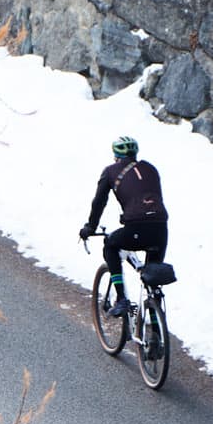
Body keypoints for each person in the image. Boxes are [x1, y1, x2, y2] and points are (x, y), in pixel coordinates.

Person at [78, 135, 168, 315]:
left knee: (111, 245)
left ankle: (121, 299)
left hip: (135, 227)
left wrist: (90, 227)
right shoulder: (150, 169)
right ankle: (157, 332)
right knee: (153, 277)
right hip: (160, 227)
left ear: (115, 155)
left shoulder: (111, 172)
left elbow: (99, 202)